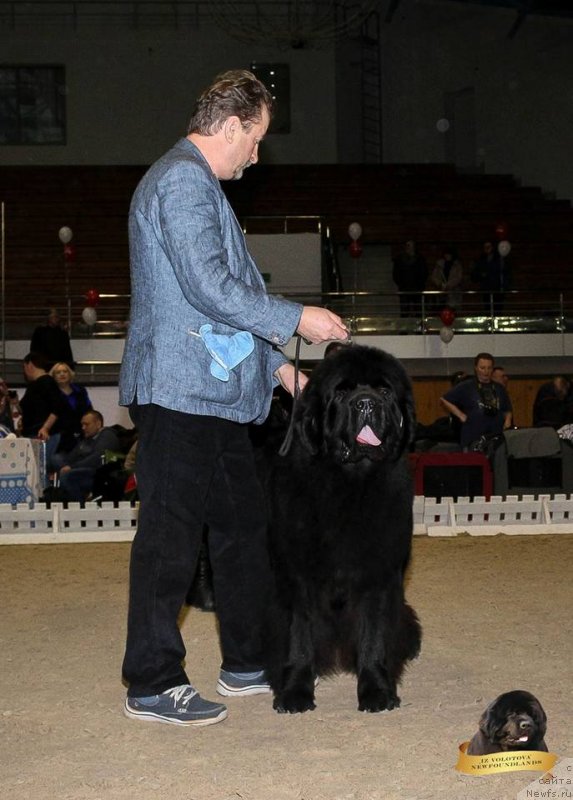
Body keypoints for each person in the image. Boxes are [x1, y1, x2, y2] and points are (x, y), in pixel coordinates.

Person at [119, 69, 348, 728]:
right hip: (178, 391)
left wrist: (278, 370)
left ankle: (246, 660)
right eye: (256, 139)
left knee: (243, 527)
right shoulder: (183, 182)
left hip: (211, 395)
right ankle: (151, 680)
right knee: (169, 537)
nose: (257, 153)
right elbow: (208, 288)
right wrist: (295, 318)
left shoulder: (197, 186)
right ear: (230, 126)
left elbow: (213, 308)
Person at [439, 352, 513, 450]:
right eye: (482, 368)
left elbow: (507, 409)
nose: (486, 371)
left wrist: (507, 421)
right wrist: (460, 415)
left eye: (489, 368)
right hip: (473, 437)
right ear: (476, 368)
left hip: (496, 437)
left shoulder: (499, 388)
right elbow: (444, 399)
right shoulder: (466, 386)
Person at [50, 410, 120, 501]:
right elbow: (71, 457)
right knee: (56, 459)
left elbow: (97, 458)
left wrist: (71, 467)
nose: (83, 428)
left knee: (66, 477)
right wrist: (62, 469)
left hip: (98, 474)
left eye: (86, 424)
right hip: (83, 469)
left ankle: (81, 506)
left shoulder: (107, 436)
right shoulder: (87, 439)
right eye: (82, 424)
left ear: (98, 424)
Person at [20, 352, 67, 467]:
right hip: (34, 433)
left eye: (24, 367)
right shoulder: (34, 385)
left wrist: (45, 428)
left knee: (40, 468)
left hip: (41, 435)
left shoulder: (47, 382)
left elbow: (58, 407)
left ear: (29, 364)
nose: (24, 371)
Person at [50, 362, 93, 452]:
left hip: (82, 433)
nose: (62, 374)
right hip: (61, 438)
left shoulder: (80, 391)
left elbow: (89, 410)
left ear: (70, 374)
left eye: (65, 371)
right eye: (58, 372)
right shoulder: (51, 394)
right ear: (53, 376)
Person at [470, 241, 511, 315]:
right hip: (486, 290)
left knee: (497, 310)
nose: (487, 249)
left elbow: (505, 273)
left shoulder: (499, 259)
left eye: (489, 247)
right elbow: (474, 275)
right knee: (488, 310)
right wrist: (481, 275)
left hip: (497, 290)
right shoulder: (481, 260)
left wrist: (504, 287)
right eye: (485, 247)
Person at [392, 240, 428, 318]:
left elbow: (424, 273)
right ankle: (405, 328)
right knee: (404, 311)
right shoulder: (399, 259)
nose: (409, 247)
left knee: (418, 311)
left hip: (417, 288)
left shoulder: (420, 259)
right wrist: (401, 283)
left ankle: (419, 329)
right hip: (404, 288)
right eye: (407, 245)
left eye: (410, 245)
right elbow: (396, 274)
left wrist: (420, 284)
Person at [429, 246, 463, 310]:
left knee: (452, 310)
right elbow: (434, 276)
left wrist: (448, 285)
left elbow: (458, 278)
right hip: (441, 293)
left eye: (449, 254)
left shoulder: (457, 265)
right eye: (446, 254)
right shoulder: (439, 264)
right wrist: (440, 284)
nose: (447, 256)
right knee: (440, 310)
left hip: (453, 293)